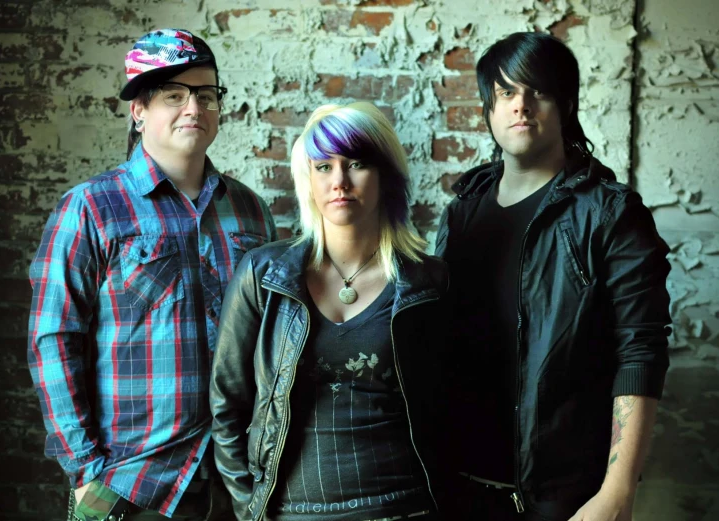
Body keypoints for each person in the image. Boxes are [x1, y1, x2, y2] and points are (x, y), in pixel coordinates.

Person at [27, 28, 277, 520]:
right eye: (174, 95)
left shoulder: (250, 211)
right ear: (138, 110)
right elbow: (52, 339)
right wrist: (85, 470)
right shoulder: (91, 208)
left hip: (235, 474)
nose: (194, 109)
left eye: (206, 95)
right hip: (131, 479)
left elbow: (271, 336)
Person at [435, 32, 671, 521]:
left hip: (562, 497)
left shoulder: (610, 213)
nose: (521, 105)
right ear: (489, 108)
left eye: (538, 91)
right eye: (506, 93)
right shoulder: (462, 213)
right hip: (456, 486)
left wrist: (617, 491)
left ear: (565, 104)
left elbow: (641, 351)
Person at [210, 102, 450, 521]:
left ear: (385, 175)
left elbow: (454, 406)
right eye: (323, 167)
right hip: (291, 510)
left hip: (402, 507)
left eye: (356, 163)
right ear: (308, 179)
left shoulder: (427, 283)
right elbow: (227, 404)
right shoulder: (263, 276)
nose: (339, 181)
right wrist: (248, 509)